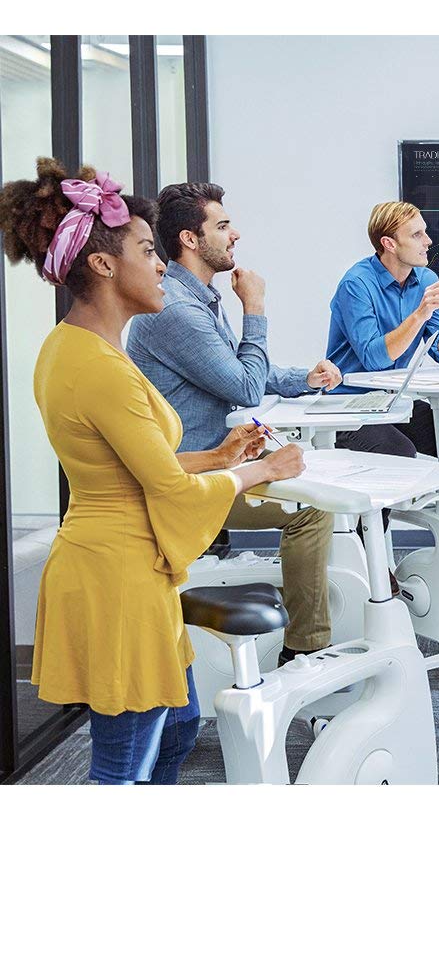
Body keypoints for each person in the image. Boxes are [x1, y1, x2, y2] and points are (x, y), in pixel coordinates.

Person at [1, 159, 304, 783]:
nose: (162, 262)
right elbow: (165, 487)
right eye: (146, 248)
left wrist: (221, 457)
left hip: (124, 565)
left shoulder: (78, 347)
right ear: (103, 264)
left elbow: (137, 463)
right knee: (124, 763)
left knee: (177, 728)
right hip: (118, 577)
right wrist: (262, 469)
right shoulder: (100, 366)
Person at [127, 183, 342, 665]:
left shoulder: (197, 298)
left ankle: (312, 625)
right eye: (222, 227)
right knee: (313, 509)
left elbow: (240, 371)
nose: (235, 234)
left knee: (321, 479)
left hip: (219, 459)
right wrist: (256, 307)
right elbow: (245, 386)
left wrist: (302, 378)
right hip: (191, 476)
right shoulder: (177, 311)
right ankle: (307, 651)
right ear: (189, 238)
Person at [326, 201, 439, 601]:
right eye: (417, 235)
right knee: (397, 452)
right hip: (349, 407)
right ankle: (369, 559)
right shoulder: (356, 284)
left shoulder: (425, 277)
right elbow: (375, 356)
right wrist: (419, 315)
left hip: (393, 403)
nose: (428, 241)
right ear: (388, 243)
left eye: (425, 231)